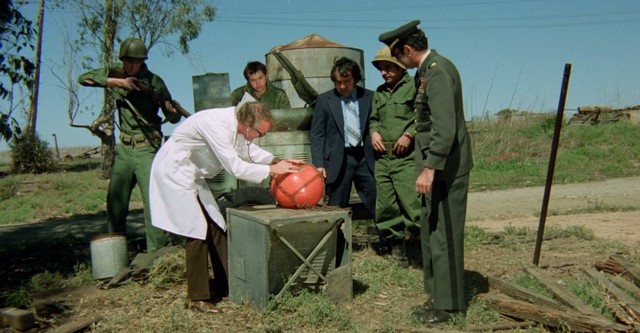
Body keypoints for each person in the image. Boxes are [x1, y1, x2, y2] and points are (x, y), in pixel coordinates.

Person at [149, 101, 301, 314]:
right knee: (195, 232)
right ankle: (197, 298)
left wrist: (278, 161)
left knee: (217, 227)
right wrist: (271, 170)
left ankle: (230, 285)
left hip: (191, 174)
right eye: (260, 134)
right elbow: (235, 166)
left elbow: (249, 151)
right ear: (248, 126)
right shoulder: (217, 125)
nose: (259, 138)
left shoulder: (238, 124)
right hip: (174, 172)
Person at [379, 20, 474, 324]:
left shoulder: (439, 72)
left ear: (407, 50)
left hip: (446, 170)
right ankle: (438, 295)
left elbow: (444, 129)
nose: (399, 63)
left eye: (398, 57)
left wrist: (430, 168)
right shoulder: (428, 71)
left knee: (445, 235)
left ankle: (448, 305)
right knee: (432, 234)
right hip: (434, 169)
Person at [78, 37, 181, 252]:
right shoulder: (115, 72)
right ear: (122, 60)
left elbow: (172, 118)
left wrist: (171, 111)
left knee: (153, 203)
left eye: (138, 62)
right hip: (124, 149)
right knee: (115, 203)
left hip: (147, 148)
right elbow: (84, 78)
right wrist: (119, 83)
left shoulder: (155, 81)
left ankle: (158, 255)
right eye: (129, 62)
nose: (133, 66)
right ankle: (114, 255)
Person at [369, 46, 420, 263]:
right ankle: (397, 249)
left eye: (388, 67)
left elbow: (423, 116)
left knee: (412, 205)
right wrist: (373, 133)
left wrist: (410, 134)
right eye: (381, 68)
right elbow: (373, 119)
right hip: (383, 159)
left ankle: (422, 249)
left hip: (405, 158)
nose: (383, 72)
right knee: (386, 206)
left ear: (400, 66)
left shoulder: (414, 87)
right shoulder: (379, 92)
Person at [310, 57, 376, 217]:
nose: (342, 86)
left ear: (355, 79)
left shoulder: (370, 97)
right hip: (338, 161)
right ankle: (338, 241)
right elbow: (317, 134)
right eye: (337, 82)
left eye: (346, 81)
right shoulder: (325, 100)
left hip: (365, 159)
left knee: (377, 203)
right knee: (336, 209)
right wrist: (318, 164)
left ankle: (386, 241)